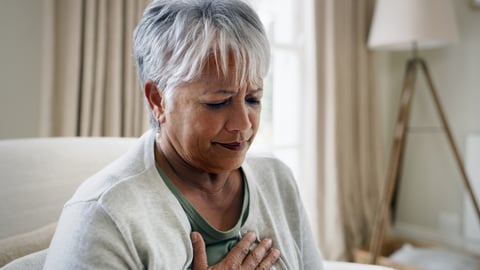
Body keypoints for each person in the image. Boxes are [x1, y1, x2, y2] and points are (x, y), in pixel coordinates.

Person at [43, 0, 323, 269]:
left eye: (253, 99)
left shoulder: (277, 181)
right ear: (158, 100)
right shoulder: (104, 216)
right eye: (218, 102)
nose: (243, 124)